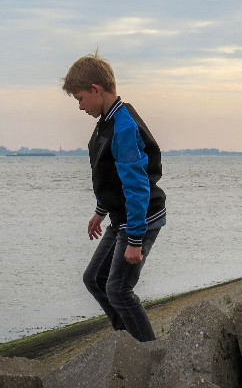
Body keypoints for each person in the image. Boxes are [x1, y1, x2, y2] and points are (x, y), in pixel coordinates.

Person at [62, 53, 166, 341]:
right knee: (94, 279)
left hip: (139, 218)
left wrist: (135, 240)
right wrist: (101, 209)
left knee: (119, 290)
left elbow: (136, 186)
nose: (80, 106)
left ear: (97, 90)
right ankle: (126, 341)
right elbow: (109, 174)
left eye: (80, 98)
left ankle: (149, 351)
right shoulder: (107, 119)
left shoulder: (123, 126)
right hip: (121, 216)